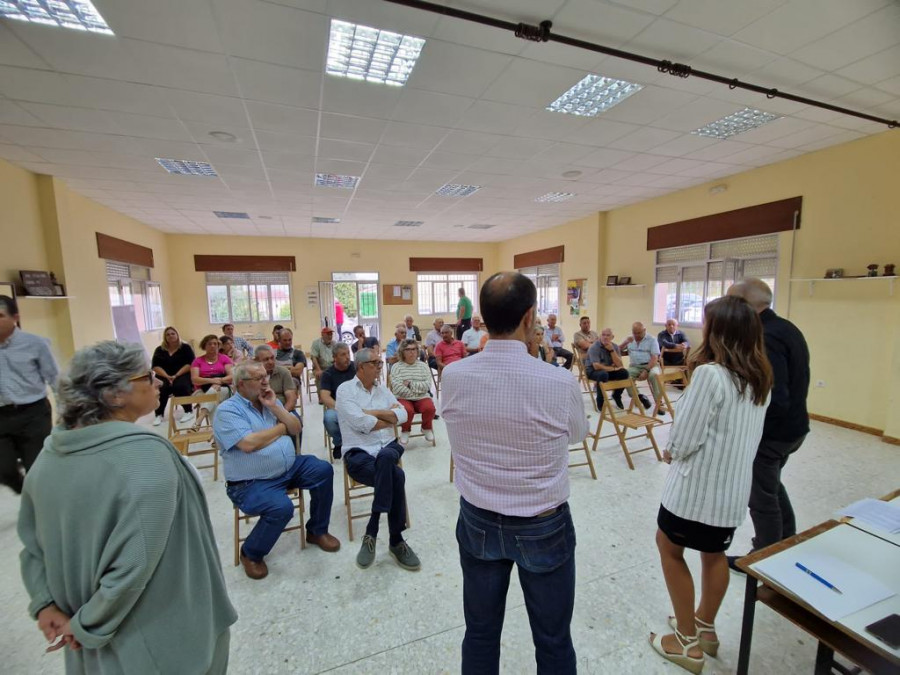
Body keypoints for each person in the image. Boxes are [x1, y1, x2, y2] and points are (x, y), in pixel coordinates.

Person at [18, 341, 236, 672]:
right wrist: (88, 624)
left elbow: (32, 548)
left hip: (84, 629)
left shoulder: (48, 458)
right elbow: (133, 567)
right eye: (148, 376)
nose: (159, 382)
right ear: (115, 394)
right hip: (155, 634)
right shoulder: (146, 457)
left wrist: (44, 603)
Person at [442, 272, 589, 675]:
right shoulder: (559, 382)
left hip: (478, 520)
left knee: (480, 633)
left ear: (483, 318)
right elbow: (577, 434)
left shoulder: (453, 377)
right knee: (554, 638)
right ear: (529, 317)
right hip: (543, 522)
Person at [649, 296, 772, 674]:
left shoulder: (710, 375)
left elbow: (685, 437)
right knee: (713, 554)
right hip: (732, 490)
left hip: (696, 491)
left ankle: (686, 642)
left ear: (718, 331)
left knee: (669, 547)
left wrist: (670, 452)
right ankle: (705, 626)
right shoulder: (759, 377)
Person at [214, 361, 340, 580]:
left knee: (323, 470)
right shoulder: (227, 410)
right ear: (241, 384)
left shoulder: (269, 400)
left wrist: (274, 408)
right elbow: (248, 444)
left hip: (288, 468)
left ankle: (317, 531)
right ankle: (251, 553)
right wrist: (280, 429)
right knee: (281, 507)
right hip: (250, 482)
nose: (266, 381)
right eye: (259, 378)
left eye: (266, 376)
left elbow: (296, 428)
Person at [727, 278, 810, 564]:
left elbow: (777, 395)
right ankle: (787, 540)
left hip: (773, 434)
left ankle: (764, 556)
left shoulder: (765, 337)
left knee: (761, 498)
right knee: (772, 486)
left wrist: (748, 428)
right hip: (794, 429)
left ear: (745, 307)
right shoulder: (786, 327)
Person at [337, 348, 420, 572]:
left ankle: (371, 531)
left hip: (388, 446)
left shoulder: (383, 390)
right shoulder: (345, 391)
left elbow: (403, 415)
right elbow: (360, 424)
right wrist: (386, 415)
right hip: (358, 452)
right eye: (375, 363)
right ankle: (396, 540)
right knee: (396, 475)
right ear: (362, 366)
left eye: (380, 363)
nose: (380, 367)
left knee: (385, 456)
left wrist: (370, 412)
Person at [0, 295, 58, 494]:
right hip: (1, 417)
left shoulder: (35, 343)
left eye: (0, 316)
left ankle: (40, 503)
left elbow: (54, 377)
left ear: (15, 317)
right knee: (4, 470)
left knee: (38, 468)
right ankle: (28, 491)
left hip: (33, 414)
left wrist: (69, 412)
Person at [390, 338, 436, 445]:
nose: (412, 352)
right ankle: (405, 430)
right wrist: (417, 391)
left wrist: (410, 384)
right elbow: (397, 388)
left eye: (414, 349)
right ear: (402, 352)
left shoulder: (423, 366)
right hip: (403, 398)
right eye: (408, 349)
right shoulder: (397, 367)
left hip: (422, 397)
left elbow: (427, 385)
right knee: (407, 411)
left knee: (430, 408)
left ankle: (426, 428)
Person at [255, 345, 301, 447]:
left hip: (284, 408)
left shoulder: (283, 372)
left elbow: (292, 399)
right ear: (256, 361)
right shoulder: (252, 377)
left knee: (296, 422)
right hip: (261, 412)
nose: (271, 362)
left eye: (272, 358)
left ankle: (295, 454)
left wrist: (282, 414)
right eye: (266, 359)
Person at [150, 326, 195, 427]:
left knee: (180, 386)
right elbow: (155, 366)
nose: (170, 336)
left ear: (177, 335)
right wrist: (167, 376)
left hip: (182, 374)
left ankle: (188, 411)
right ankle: (159, 414)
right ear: (165, 337)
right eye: (168, 334)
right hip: (163, 375)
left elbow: (190, 364)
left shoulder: (185, 348)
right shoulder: (159, 350)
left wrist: (176, 375)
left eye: (172, 333)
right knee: (162, 387)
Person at [319, 343, 357, 460]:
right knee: (329, 419)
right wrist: (342, 408)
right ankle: (339, 442)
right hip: (337, 407)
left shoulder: (356, 368)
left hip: (358, 404)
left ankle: (358, 441)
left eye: (348, 353)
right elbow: (325, 397)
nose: (347, 357)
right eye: (343, 354)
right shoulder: (328, 374)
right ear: (335, 357)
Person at [190, 335, 234, 431]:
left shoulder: (224, 358)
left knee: (214, 391)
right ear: (204, 346)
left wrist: (219, 381)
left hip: (223, 389)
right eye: (209, 344)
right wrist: (212, 380)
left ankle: (199, 420)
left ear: (218, 346)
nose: (213, 346)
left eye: (215, 344)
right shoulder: (197, 361)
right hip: (201, 390)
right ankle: (216, 437)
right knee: (214, 403)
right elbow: (194, 379)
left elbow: (231, 376)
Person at [620, 322, 663, 412]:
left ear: (644, 330)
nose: (636, 335)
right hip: (635, 366)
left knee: (654, 376)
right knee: (625, 376)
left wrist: (646, 370)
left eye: (639, 333)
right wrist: (625, 342)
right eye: (634, 333)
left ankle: (659, 403)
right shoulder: (630, 339)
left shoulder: (652, 339)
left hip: (651, 365)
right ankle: (640, 398)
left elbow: (655, 358)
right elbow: (617, 350)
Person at [586, 328, 630, 409]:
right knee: (603, 374)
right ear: (600, 336)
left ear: (612, 337)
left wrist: (612, 351)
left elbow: (620, 365)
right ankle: (600, 400)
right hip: (592, 371)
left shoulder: (615, 347)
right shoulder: (594, 347)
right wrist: (613, 368)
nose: (605, 337)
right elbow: (596, 366)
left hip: (606, 371)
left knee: (624, 373)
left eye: (608, 335)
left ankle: (616, 395)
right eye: (603, 335)